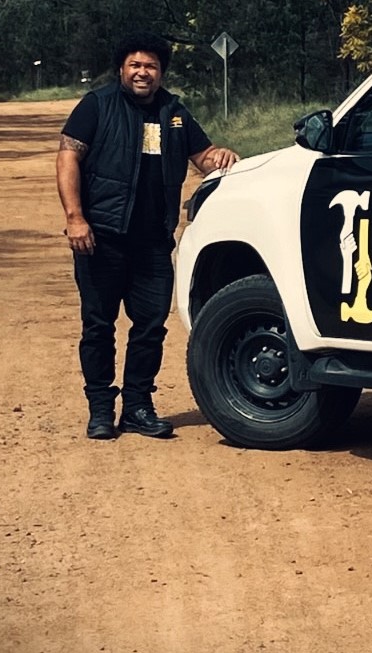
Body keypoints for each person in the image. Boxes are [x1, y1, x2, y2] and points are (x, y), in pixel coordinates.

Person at [56, 32, 239, 440]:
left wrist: (221, 157)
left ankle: (138, 406)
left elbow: (203, 157)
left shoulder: (174, 111)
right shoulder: (97, 105)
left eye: (151, 67)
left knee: (151, 327)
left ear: (160, 72)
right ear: (122, 68)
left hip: (154, 242)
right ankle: (101, 409)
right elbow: (68, 155)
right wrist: (75, 217)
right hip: (100, 238)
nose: (143, 72)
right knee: (99, 326)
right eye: (136, 65)